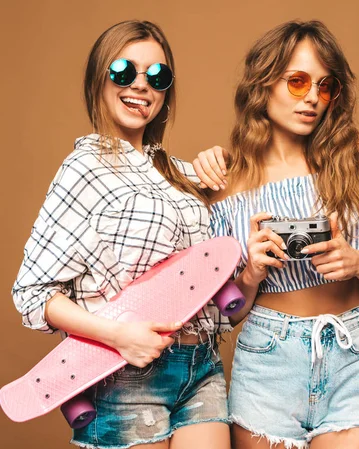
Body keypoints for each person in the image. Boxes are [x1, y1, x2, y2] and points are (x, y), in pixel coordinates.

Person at [12, 20, 230, 449]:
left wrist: (221, 161)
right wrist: (117, 336)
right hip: (124, 376)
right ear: (99, 76)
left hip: (202, 364)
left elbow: (226, 239)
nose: (140, 86)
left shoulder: (177, 173)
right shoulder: (85, 168)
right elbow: (32, 293)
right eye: (123, 70)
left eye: (158, 77)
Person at [196, 20, 359, 449]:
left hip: (354, 354)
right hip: (268, 362)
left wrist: (358, 262)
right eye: (298, 81)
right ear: (262, 84)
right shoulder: (224, 181)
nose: (312, 99)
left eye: (326, 86)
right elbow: (227, 314)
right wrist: (250, 274)